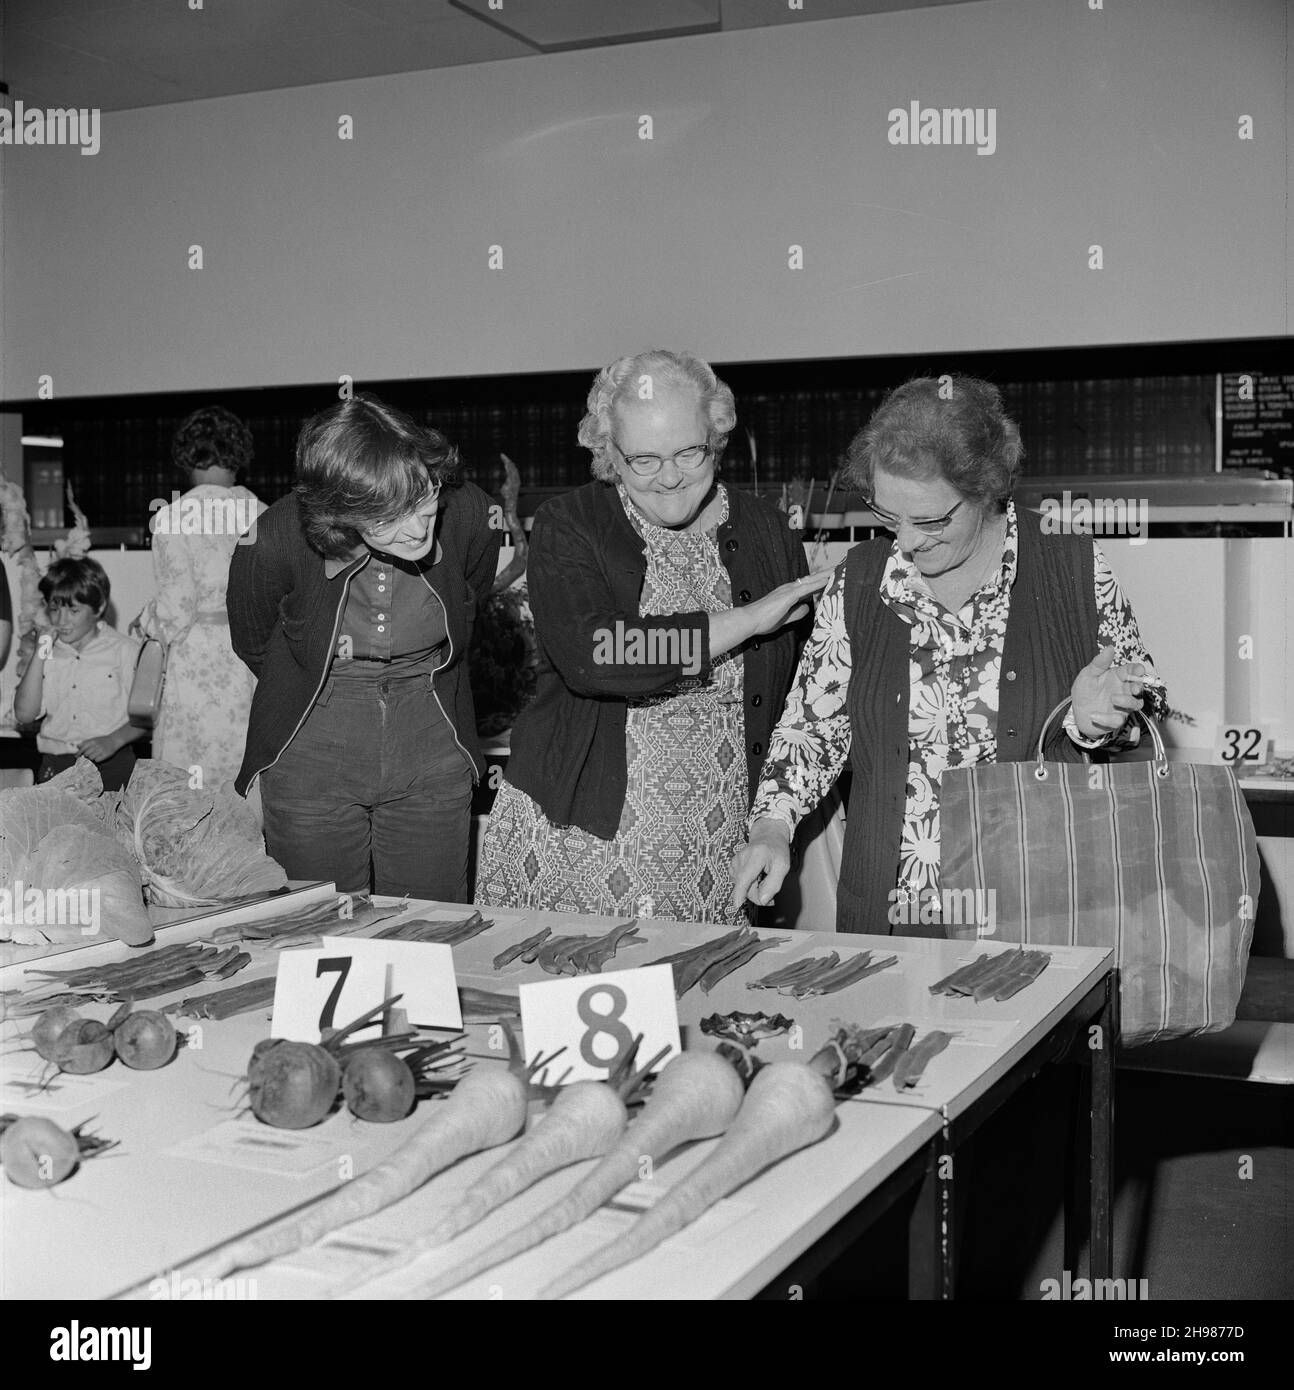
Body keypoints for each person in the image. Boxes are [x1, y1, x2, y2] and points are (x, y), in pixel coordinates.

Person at [732, 374, 1168, 935]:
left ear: (987, 491)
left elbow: (1143, 695)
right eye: (889, 517)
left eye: (932, 520)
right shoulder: (861, 582)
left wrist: (1097, 720)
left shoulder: (1071, 563)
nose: (908, 542)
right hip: (896, 914)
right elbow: (811, 730)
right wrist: (772, 826)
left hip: (1040, 907)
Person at [475, 348, 830, 924]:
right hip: (581, 843)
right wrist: (746, 620)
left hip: (716, 846)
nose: (669, 477)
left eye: (689, 452)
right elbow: (599, 655)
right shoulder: (572, 524)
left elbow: (802, 694)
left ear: (716, 437)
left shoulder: (764, 527)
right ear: (608, 453)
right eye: (643, 459)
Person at [228, 394, 500, 900]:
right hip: (313, 740)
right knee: (322, 927)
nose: (419, 527)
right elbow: (255, 643)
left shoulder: (469, 513)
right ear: (339, 514)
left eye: (424, 498)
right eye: (388, 518)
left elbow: (470, 601)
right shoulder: (270, 539)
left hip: (431, 732)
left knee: (430, 927)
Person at [137, 407, 265, 790]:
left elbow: (175, 609)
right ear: (239, 454)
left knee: (189, 779)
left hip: (196, 661)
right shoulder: (263, 514)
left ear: (185, 456)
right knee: (244, 771)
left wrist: (145, 621)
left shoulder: (172, 518)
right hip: (251, 660)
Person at [13, 557, 145, 790]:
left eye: (73, 610)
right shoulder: (48, 650)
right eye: (54, 609)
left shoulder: (125, 650)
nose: (61, 620)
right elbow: (24, 714)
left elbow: (147, 718)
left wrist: (114, 740)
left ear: (99, 607)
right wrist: (39, 653)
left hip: (111, 765)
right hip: (57, 767)